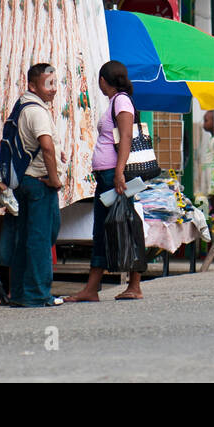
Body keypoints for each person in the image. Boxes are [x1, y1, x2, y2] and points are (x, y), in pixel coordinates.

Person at [66, 60, 143, 302]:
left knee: (125, 225)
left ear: (103, 80)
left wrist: (119, 172)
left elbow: (127, 136)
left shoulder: (120, 101)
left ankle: (134, 285)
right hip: (107, 176)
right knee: (103, 229)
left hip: (114, 176)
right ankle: (92, 288)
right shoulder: (115, 101)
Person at [0, 62, 65, 307]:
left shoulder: (22, 105)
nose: (53, 89)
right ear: (32, 85)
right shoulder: (36, 110)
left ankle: (19, 293)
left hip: (26, 180)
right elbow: (46, 146)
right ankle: (38, 294)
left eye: (55, 83)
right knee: (40, 238)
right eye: (48, 84)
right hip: (39, 183)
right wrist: (55, 178)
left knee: (26, 236)